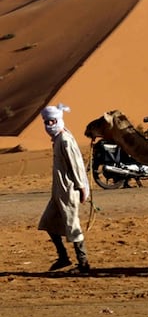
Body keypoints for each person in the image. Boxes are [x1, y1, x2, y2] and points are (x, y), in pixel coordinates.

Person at [37, 104, 91, 272]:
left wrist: (81, 187)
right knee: (47, 222)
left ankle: (83, 263)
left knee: (73, 226)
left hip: (69, 190)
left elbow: (76, 166)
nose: (49, 125)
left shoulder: (65, 140)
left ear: (59, 120)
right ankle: (63, 258)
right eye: (46, 122)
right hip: (58, 192)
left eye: (52, 121)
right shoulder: (57, 140)